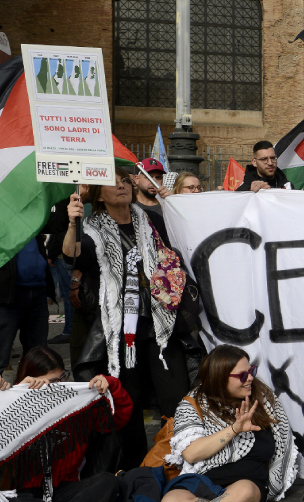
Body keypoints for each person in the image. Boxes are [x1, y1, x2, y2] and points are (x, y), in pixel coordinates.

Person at [63, 169, 193, 469]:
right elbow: (72, 255)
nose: (121, 186)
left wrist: (176, 204)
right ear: (99, 195)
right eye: (113, 183)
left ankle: (180, 461)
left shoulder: (151, 220)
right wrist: (72, 222)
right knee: (129, 402)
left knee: (176, 396)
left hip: (160, 324)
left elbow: (182, 242)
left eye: (124, 181)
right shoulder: (92, 229)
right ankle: (133, 470)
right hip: (122, 331)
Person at [164, 345, 296, 502]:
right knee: (171, 499)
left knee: (244, 491)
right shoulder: (193, 404)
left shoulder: (263, 399)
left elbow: (281, 443)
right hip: (202, 481)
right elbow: (191, 454)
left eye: (251, 371)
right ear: (220, 378)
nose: (250, 378)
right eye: (242, 375)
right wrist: (234, 429)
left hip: (246, 484)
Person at [12, 346, 131, 502]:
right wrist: (17, 396)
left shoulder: (77, 406)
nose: (60, 385)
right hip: (23, 491)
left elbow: (116, 419)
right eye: (51, 382)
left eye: (62, 377)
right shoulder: (11, 405)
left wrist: (110, 385)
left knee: (108, 482)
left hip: (64, 488)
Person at [0, 229, 52, 377]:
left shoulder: (33, 217)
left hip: (37, 289)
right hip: (3, 293)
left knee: (38, 358)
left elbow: (57, 224)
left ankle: (32, 391)